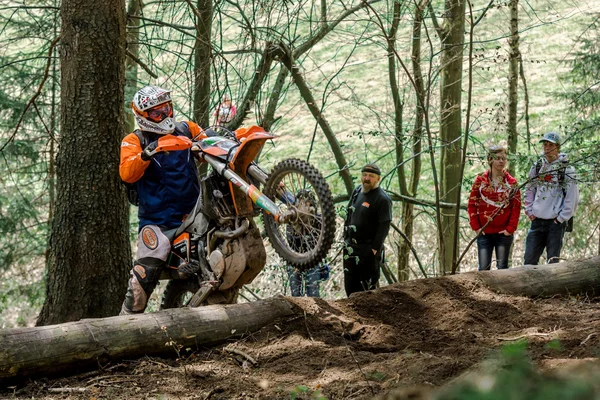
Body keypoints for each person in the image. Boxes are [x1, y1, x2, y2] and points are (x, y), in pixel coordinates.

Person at [119, 85, 207, 315]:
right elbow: (127, 172)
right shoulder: (134, 140)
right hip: (158, 222)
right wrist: (148, 152)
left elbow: (206, 142)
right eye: (157, 113)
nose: (165, 115)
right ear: (143, 117)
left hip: (195, 213)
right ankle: (125, 323)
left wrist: (214, 143)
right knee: (143, 278)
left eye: (167, 108)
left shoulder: (186, 128)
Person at [524, 132, 579, 265]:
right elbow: (529, 188)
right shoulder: (537, 167)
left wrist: (560, 219)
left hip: (555, 224)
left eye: (551, 145)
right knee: (529, 261)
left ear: (558, 147)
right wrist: (529, 211)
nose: (547, 148)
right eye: (545, 145)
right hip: (537, 220)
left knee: (552, 263)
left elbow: (573, 197)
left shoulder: (566, 170)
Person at [467, 145, 521, 270]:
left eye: (503, 158)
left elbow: (516, 207)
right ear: (490, 159)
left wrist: (510, 229)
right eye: (498, 158)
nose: (501, 161)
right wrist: (476, 227)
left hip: (503, 233)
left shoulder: (511, 183)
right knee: (484, 268)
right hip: (484, 232)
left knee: (502, 268)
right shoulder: (480, 181)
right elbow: (472, 204)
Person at [343, 163, 392, 296]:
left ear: (378, 179)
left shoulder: (383, 199)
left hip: (367, 251)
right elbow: (349, 213)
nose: (367, 178)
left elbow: (384, 226)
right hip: (350, 248)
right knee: (350, 288)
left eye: (371, 176)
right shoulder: (357, 191)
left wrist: (374, 249)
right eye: (364, 175)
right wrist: (345, 238)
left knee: (366, 291)